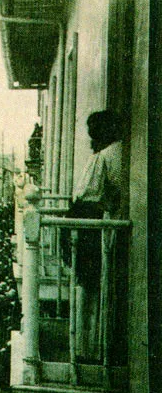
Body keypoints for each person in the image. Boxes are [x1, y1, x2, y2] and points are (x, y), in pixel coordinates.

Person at [66, 110, 126, 362]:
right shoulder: (121, 151)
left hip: (96, 231)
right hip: (106, 228)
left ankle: (88, 349)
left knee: (91, 290)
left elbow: (86, 197)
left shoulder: (105, 156)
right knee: (102, 290)